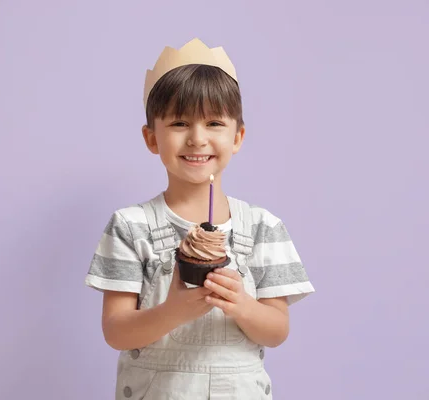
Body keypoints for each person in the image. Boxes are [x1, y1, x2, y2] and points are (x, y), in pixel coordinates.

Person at [84, 38, 315, 399]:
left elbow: (277, 330)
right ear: (151, 138)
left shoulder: (263, 227)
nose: (197, 138)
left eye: (213, 123)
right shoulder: (130, 227)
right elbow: (116, 331)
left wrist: (242, 305)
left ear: (237, 136)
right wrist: (172, 312)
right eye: (179, 122)